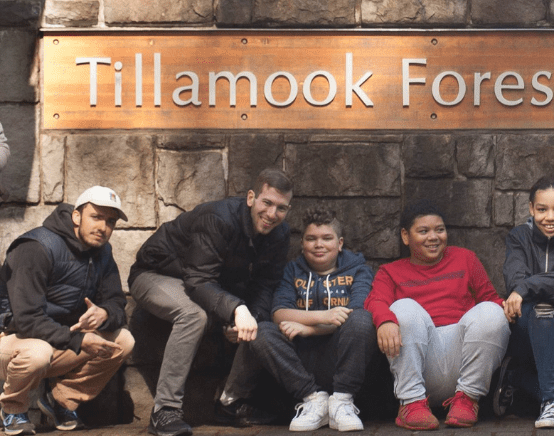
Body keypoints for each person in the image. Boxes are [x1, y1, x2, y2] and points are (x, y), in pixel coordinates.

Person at [128, 168, 292, 436]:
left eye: (282, 208)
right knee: (194, 315)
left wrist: (243, 318)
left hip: (204, 283)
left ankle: (230, 402)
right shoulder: (219, 218)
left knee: (257, 319)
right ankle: (164, 411)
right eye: (267, 203)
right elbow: (198, 280)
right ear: (251, 198)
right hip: (156, 273)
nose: (273, 214)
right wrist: (235, 309)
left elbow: (265, 285)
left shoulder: (279, 234)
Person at [364, 200, 510, 430]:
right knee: (403, 308)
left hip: (464, 358)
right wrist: (385, 321)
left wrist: (508, 306)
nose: (433, 237)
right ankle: (411, 403)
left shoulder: (466, 259)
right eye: (423, 231)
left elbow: (490, 300)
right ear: (405, 236)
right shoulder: (390, 272)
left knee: (492, 312)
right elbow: (376, 301)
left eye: (439, 230)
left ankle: (467, 400)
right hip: (419, 361)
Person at [0, 186, 134, 435]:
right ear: (76, 216)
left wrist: (104, 313)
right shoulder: (36, 246)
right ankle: (12, 409)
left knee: (123, 341)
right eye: (96, 217)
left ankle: (61, 399)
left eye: (110, 221)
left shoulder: (103, 252)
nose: (103, 227)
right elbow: (27, 319)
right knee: (37, 353)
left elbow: (117, 303)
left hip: (57, 339)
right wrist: (80, 339)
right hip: (11, 338)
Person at [247, 207, 376, 432]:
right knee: (261, 331)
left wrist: (309, 329)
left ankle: (341, 403)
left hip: (340, 359)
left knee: (362, 320)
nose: (319, 244)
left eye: (327, 238)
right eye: (311, 239)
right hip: (299, 363)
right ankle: (313, 401)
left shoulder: (359, 270)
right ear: (302, 244)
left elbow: (355, 313)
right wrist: (323, 316)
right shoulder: (292, 271)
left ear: (340, 243)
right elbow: (278, 313)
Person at [497, 176, 554, 428]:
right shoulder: (519, 237)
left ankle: (516, 378)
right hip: (527, 332)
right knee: (542, 311)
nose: (550, 217)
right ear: (531, 208)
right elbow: (514, 278)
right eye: (542, 209)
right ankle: (550, 400)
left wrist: (527, 286)